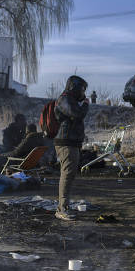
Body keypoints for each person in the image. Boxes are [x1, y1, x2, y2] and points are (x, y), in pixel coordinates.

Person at [54, 75, 89, 221]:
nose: (83, 93)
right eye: (82, 89)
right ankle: (62, 209)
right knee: (67, 174)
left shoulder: (70, 100)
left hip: (71, 142)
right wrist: (85, 104)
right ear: (74, 87)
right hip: (66, 142)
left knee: (69, 174)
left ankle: (64, 205)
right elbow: (77, 114)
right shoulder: (65, 99)